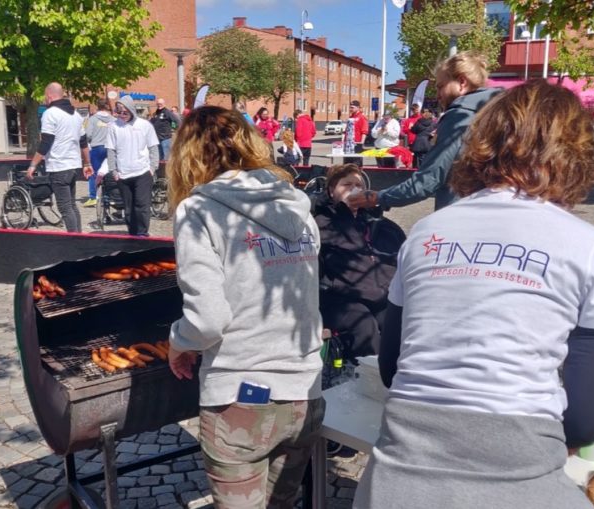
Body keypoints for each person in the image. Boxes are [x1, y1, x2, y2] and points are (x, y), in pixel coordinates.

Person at [353, 80, 594, 509]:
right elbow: (587, 418)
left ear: (480, 144)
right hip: (521, 464)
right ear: (576, 155)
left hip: (398, 473)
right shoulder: (588, 245)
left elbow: (392, 367)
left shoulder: (426, 232)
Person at [166, 105, 324, 509]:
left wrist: (177, 343)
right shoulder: (299, 207)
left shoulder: (198, 210)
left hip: (240, 397)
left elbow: (207, 320)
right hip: (304, 393)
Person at [346, 52, 501, 212]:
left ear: (461, 82)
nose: (438, 95)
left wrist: (379, 197)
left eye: (441, 86)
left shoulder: (459, 117)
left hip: (461, 216)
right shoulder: (498, 114)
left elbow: (428, 180)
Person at [314, 164, 403, 361]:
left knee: (399, 322)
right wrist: (344, 212)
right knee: (363, 325)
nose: (353, 189)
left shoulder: (381, 225)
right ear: (331, 190)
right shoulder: (320, 224)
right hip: (338, 297)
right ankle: (370, 381)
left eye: (358, 185)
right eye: (346, 184)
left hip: (381, 294)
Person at [26, 82, 93, 233]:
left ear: (49, 96)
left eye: (45, 96)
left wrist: (32, 165)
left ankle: (74, 240)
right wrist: (87, 163)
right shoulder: (75, 115)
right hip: (73, 166)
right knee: (72, 205)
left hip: (59, 166)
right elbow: (83, 142)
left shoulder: (50, 114)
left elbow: (46, 142)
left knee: (65, 207)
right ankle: (79, 236)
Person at [105, 95, 159, 236]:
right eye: (119, 112)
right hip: (123, 173)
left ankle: (142, 233)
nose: (122, 115)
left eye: (125, 112)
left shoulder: (144, 125)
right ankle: (132, 233)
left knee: (141, 205)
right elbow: (111, 150)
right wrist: (113, 171)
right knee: (128, 208)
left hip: (142, 172)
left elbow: (153, 147)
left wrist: (152, 168)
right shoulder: (113, 127)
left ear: (131, 111)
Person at [82, 99, 114, 207]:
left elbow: (88, 135)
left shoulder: (93, 119)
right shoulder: (113, 119)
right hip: (110, 148)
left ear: (97, 107)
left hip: (97, 147)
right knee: (109, 172)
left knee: (93, 172)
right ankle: (108, 195)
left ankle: (93, 197)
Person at [343, 100, 369, 166]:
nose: (350, 109)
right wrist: (343, 141)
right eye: (350, 107)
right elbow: (347, 131)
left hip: (357, 143)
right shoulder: (351, 117)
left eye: (352, 107)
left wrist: (361, 143)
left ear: (357, 107)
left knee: (356, 164)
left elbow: (364, 131)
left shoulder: (362, 117)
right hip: (348, 144)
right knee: (347, 164)